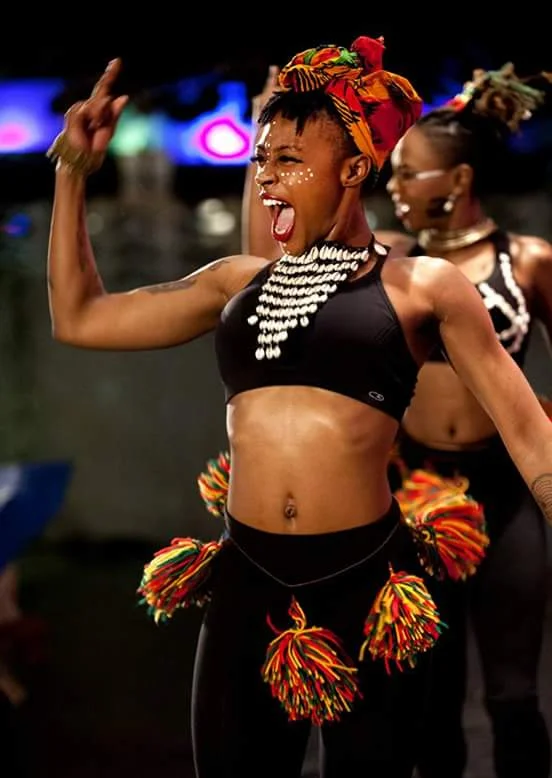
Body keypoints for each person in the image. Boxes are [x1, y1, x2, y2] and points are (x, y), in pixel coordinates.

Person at [46, 38, 552, 778]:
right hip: (246, 581)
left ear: (353, 168)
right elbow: (80, 317)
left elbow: (528, 430)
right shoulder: (236, 281)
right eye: (262, 158)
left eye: (288, 159)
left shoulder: (423, 286)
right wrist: (72, 171)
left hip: (368, 586)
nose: (266, 173)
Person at [243, 60, 552, 778]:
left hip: (503, 492)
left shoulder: (528, 261)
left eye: (409, 174)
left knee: (513, 692)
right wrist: (271, 149)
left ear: (459, 180)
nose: (395, 187)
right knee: (431, 696)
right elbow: (271, 264)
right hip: (414, 495)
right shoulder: (394, 263)